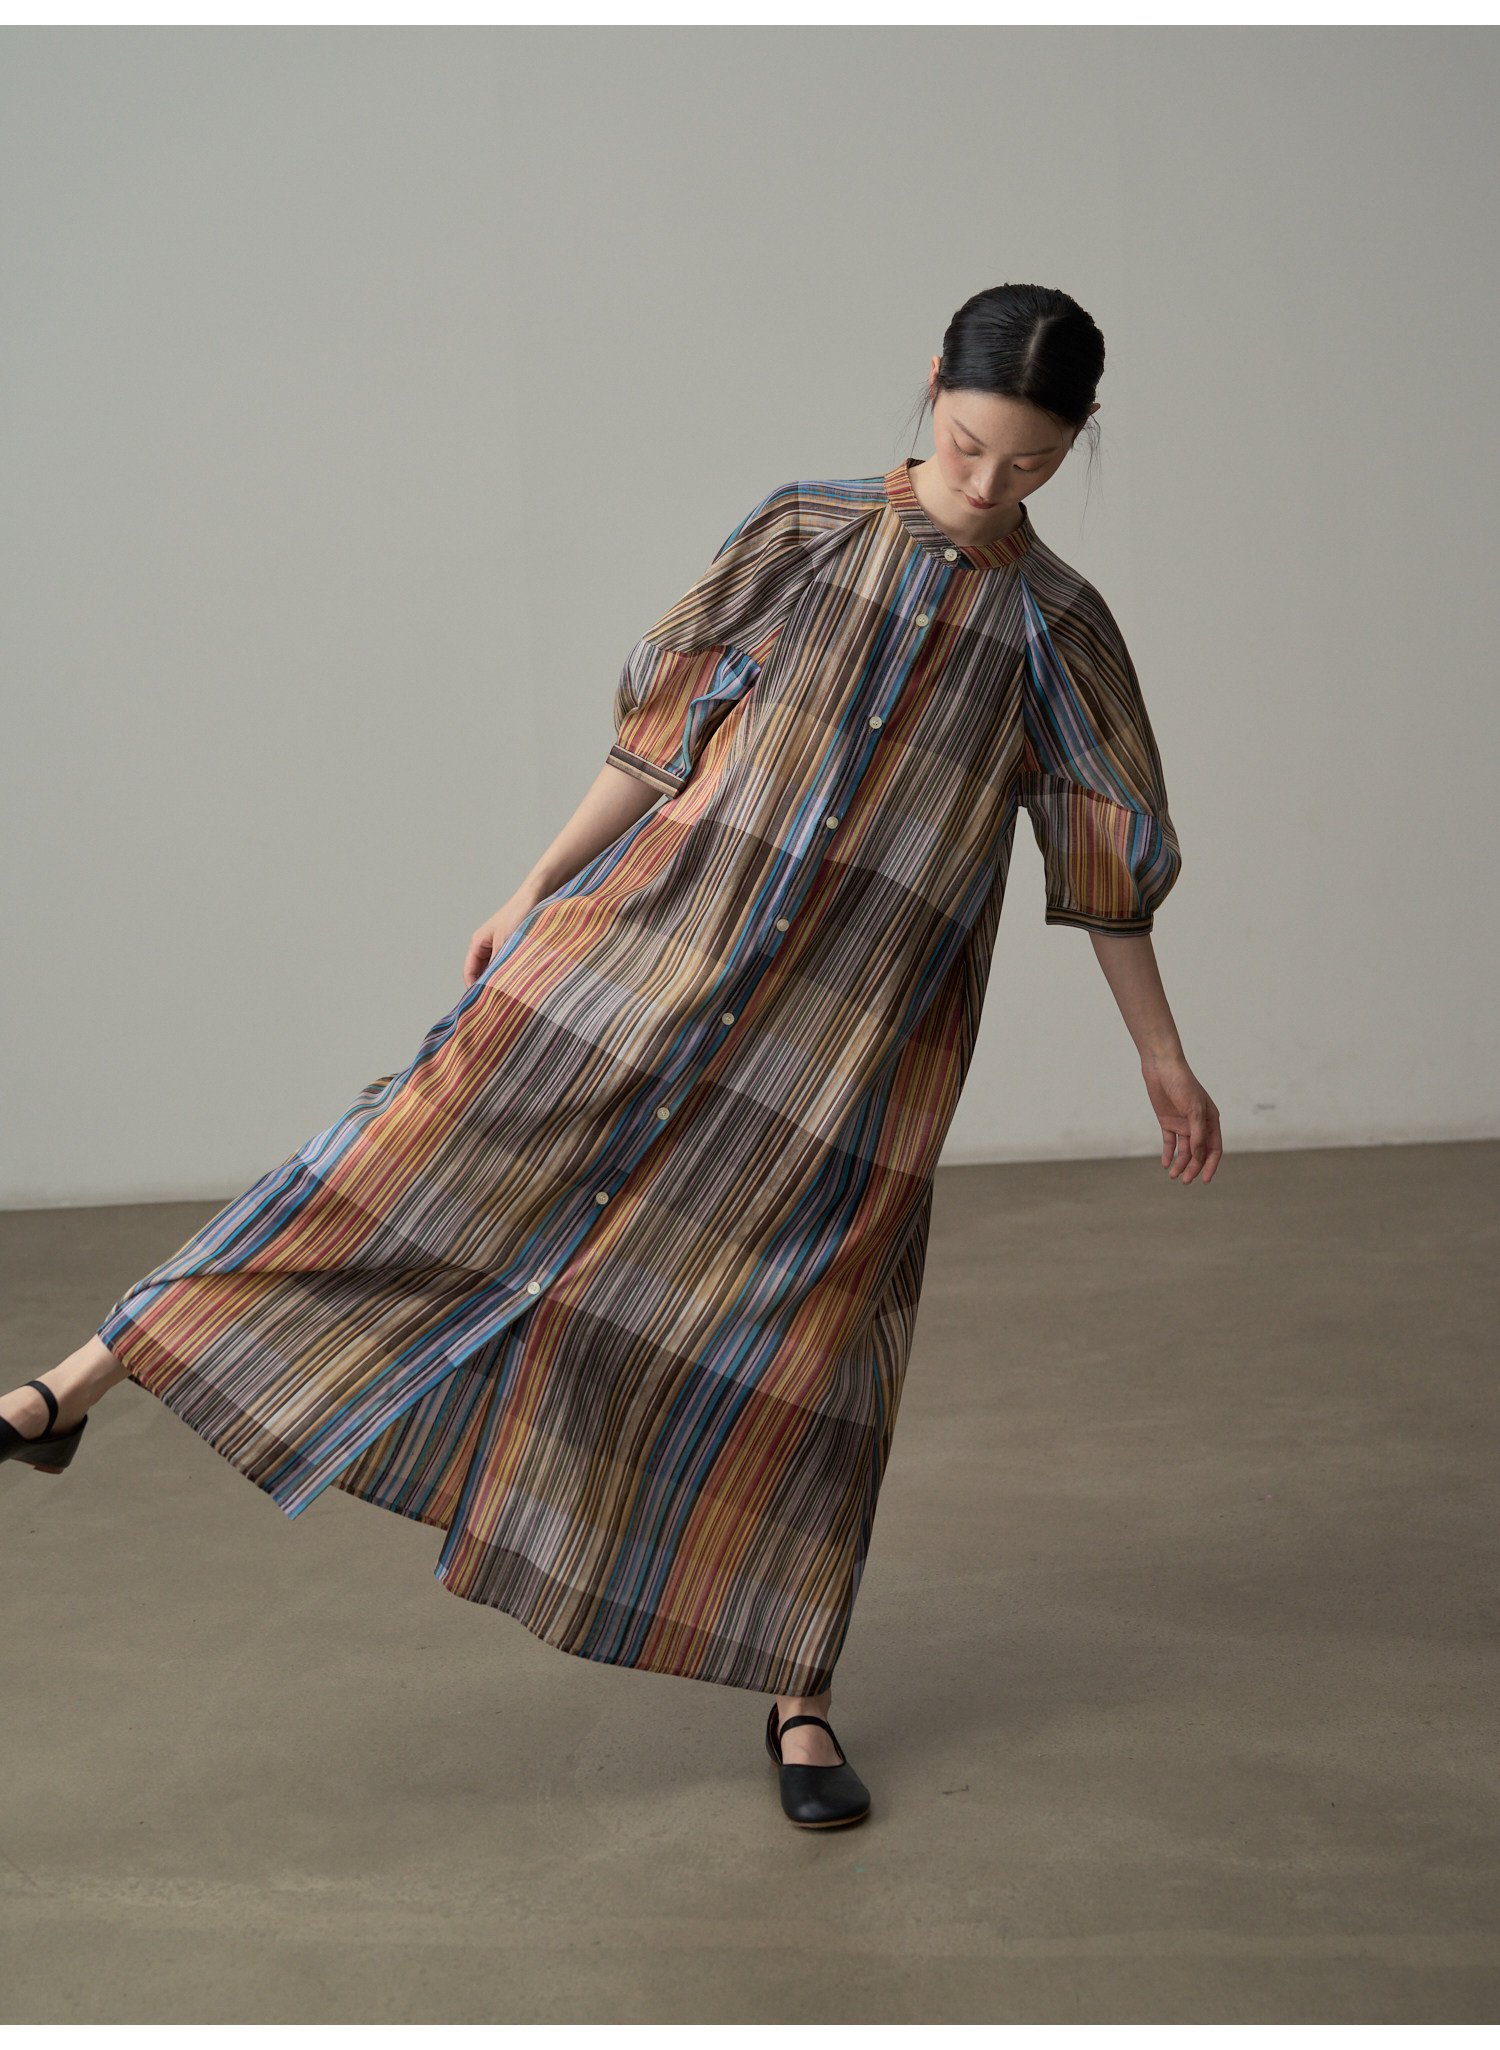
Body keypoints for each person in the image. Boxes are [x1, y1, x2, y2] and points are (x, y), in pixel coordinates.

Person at [1, 283, 1222, 1830]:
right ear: (931, 385)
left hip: (849, 1048)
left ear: (1078, 443)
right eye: (971, 443)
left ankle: (800, 1698)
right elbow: (663, 729)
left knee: (805, 1349)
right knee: (399, 1159)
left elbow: (1106, 853)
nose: (987, 486)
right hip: (648, 952)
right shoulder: (804, 530)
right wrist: (534, 882)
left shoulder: (1058, 625)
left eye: (1031, 464)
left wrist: (1161, 1055)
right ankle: (71, 1386)